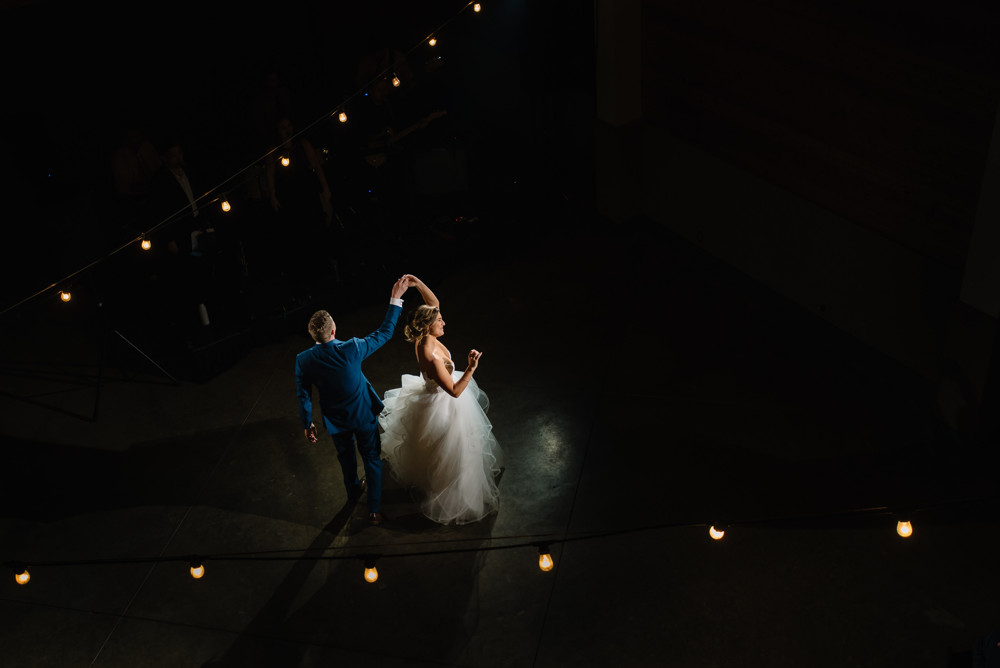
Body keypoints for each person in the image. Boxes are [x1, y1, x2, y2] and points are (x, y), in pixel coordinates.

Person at [378, 275, 503, 525]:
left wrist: (417, 283)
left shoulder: (427, 337)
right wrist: (471, 367)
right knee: (451, 451)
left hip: (437, 393)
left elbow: (433, 302)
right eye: (439, 320)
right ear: (428, 326)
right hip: (442, 405)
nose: (444, 321)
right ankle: (453, 493)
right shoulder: (430, 353)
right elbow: (455, 391)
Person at [295, 276, 409, 525]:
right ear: (334, 330)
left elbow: (303, 394)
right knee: (371, 457)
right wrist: (395, 299)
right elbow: (386, 332)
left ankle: (354, 492)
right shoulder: (352, 348)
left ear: (312, 334)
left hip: (336, 421)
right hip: (363, 416)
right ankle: (375, 510)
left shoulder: (303, 360)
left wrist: (308, 423)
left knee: (345, 459)